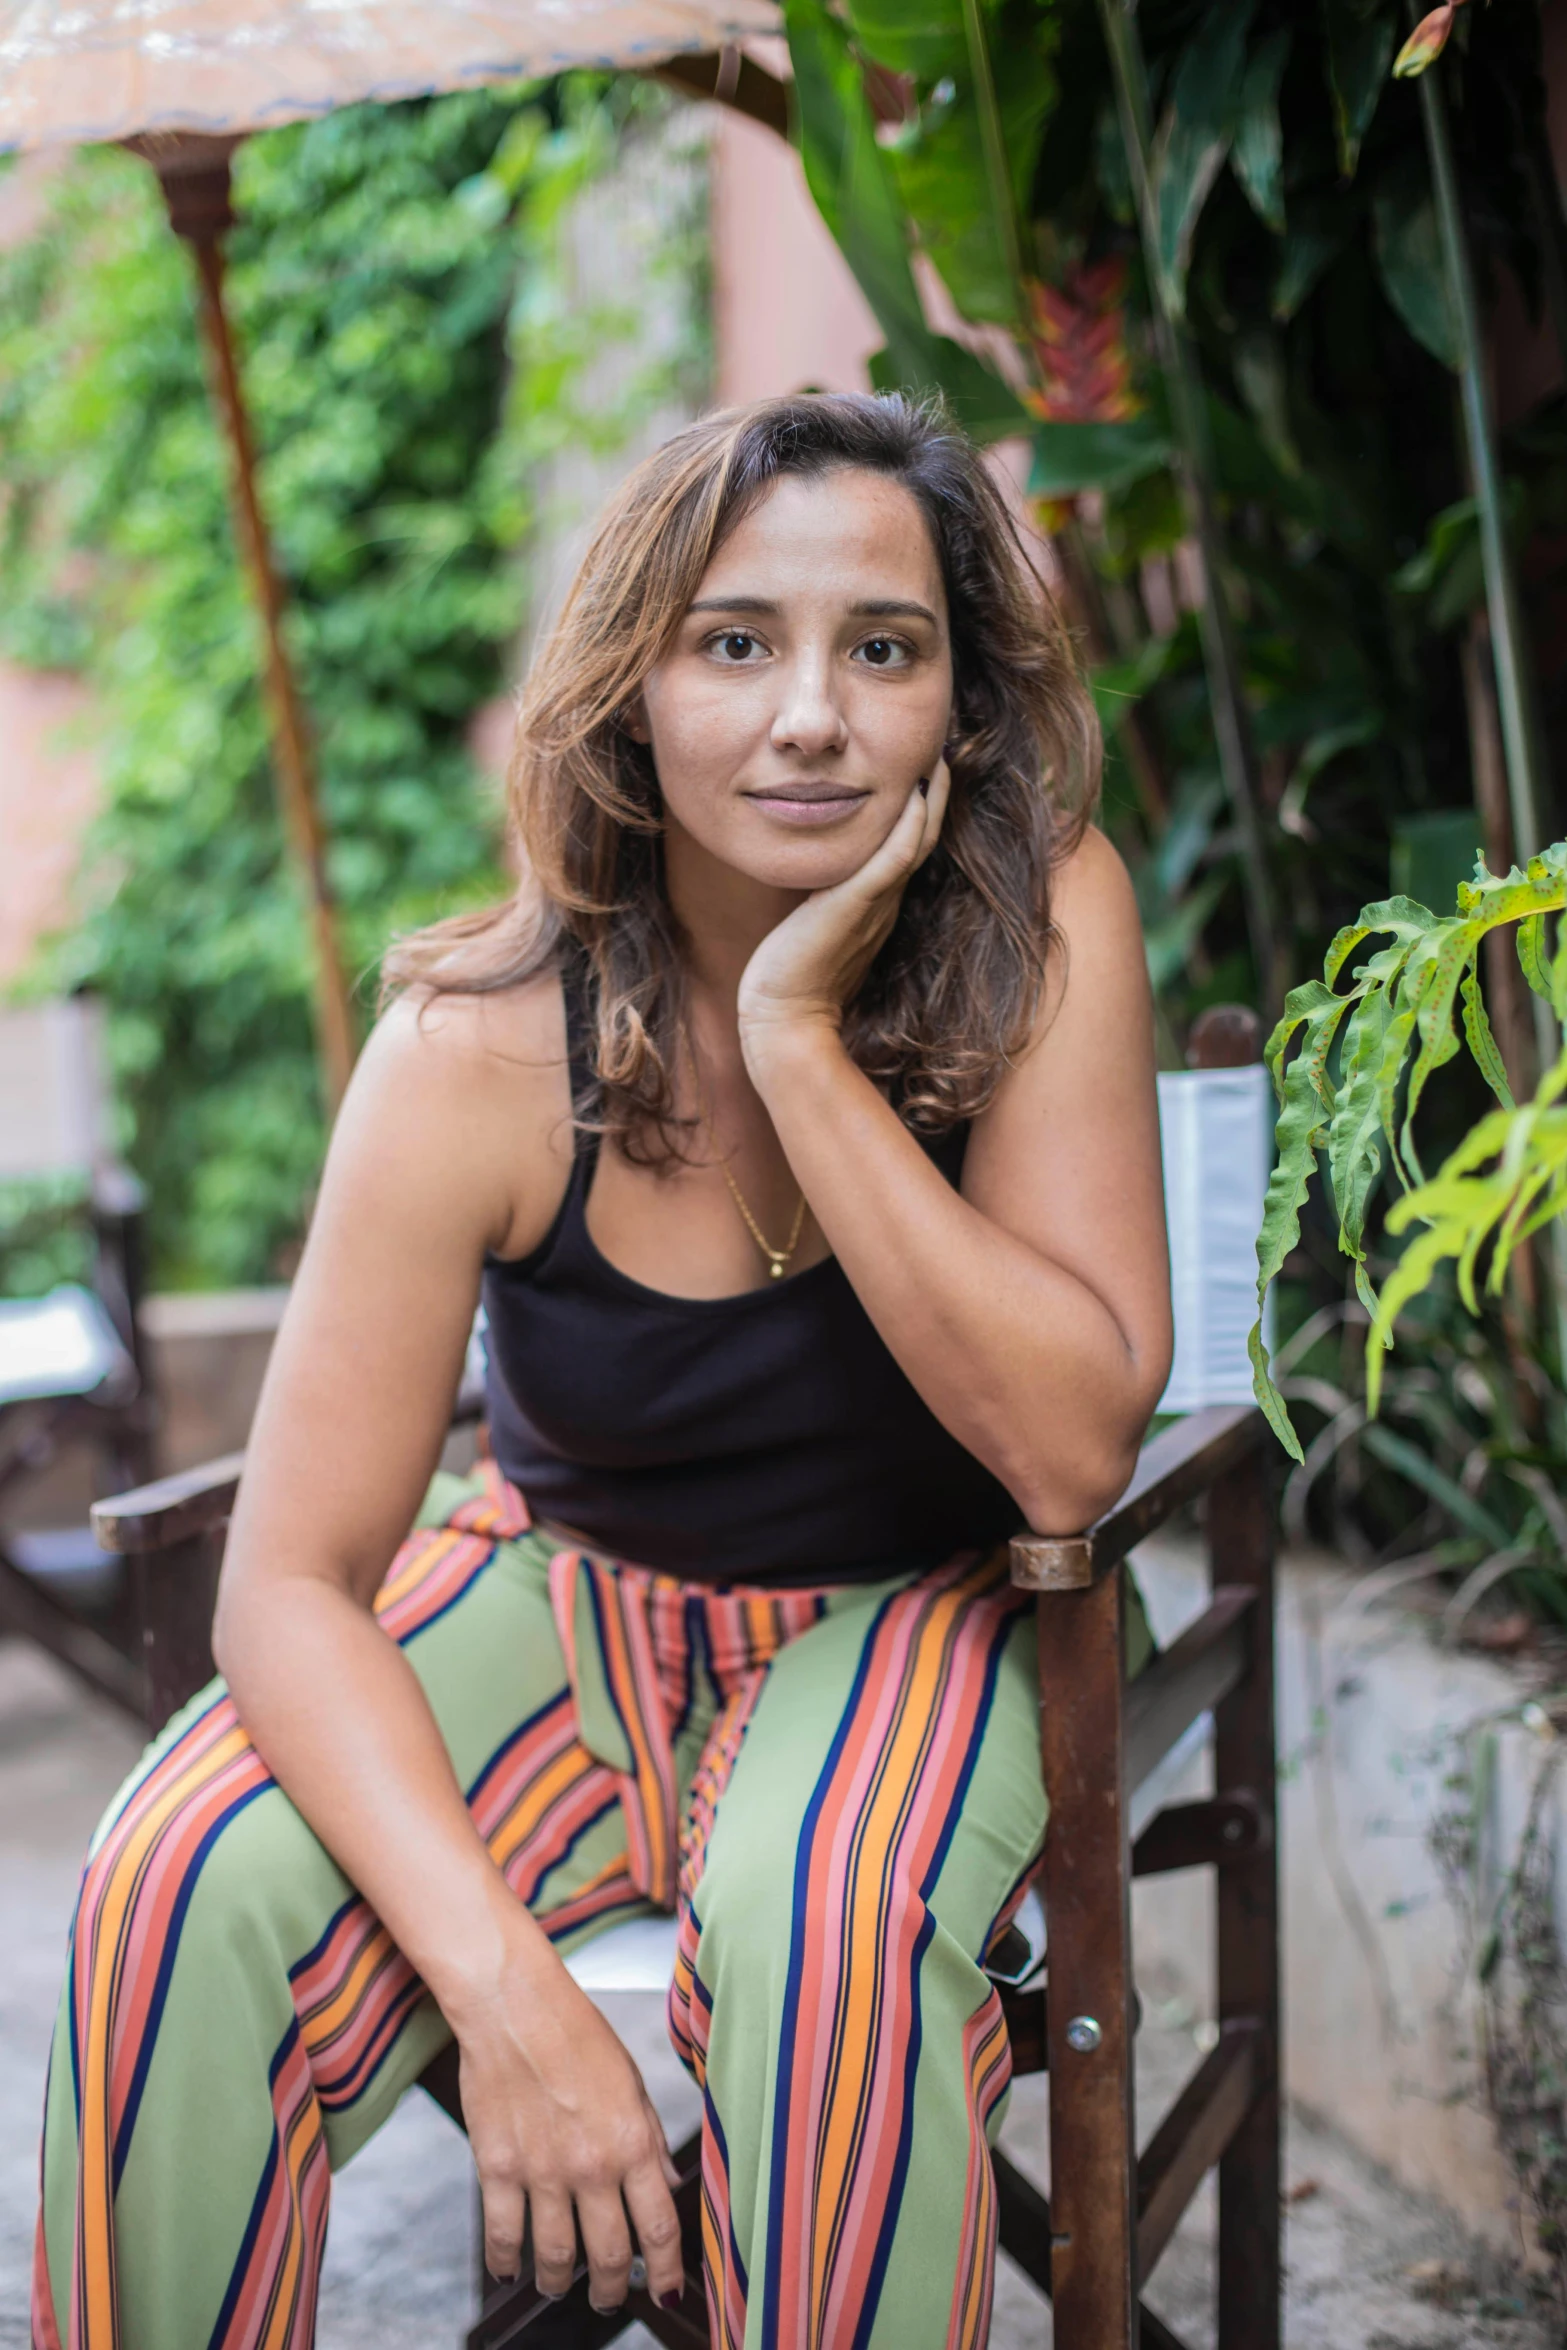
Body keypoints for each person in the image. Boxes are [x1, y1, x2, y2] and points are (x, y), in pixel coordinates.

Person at [33, 392, 1171, 2350]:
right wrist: (510, 1992)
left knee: (822, 1936)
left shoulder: (1044, 921)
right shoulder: (480, 1031)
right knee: (167, 1888)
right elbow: (286, 1576)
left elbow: (1071, 1454)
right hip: (559, 1607)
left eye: (880, 647)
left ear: (961, 706)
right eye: (736, 640)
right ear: (633, 684)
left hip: (940, 1612)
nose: (810, 711)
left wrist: (802, 1044)